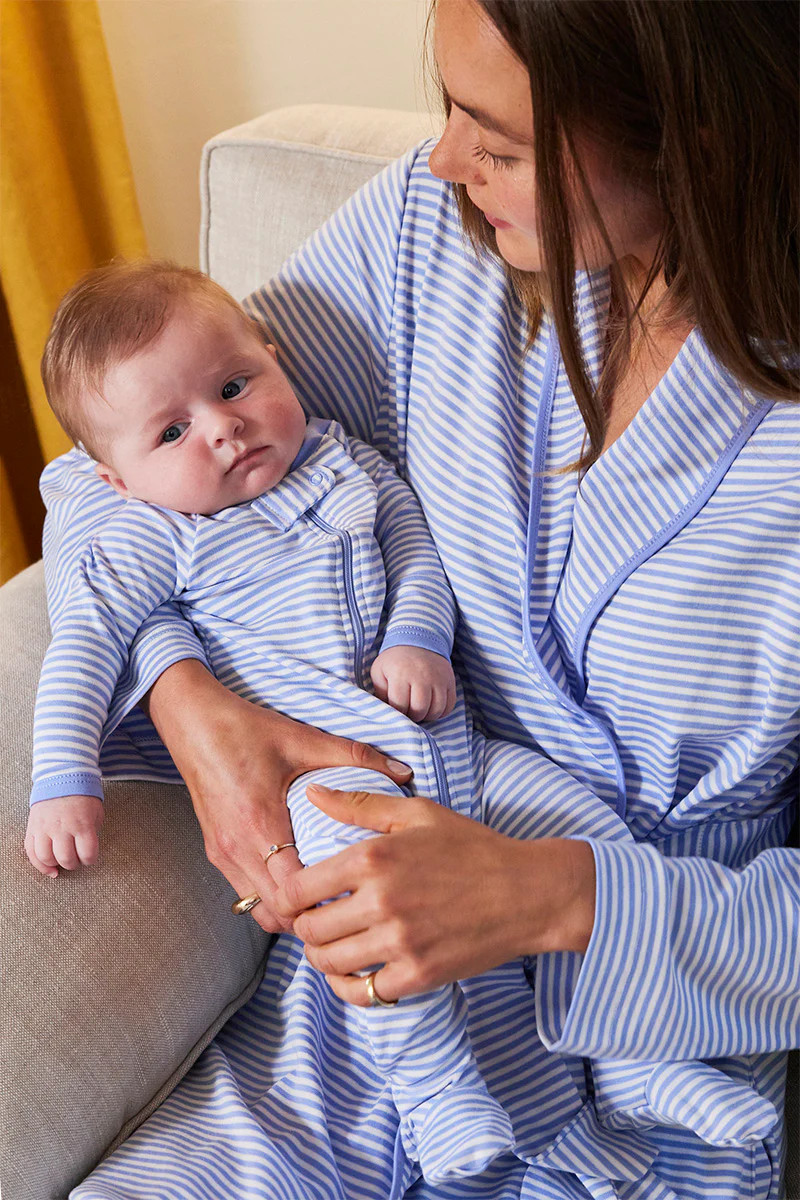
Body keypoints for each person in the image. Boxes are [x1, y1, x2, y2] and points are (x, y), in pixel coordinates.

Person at [48, 1, 798, 1197]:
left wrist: (555, 900)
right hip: (348, 992)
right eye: (445, 105)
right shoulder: (430, 234)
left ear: (698, 137)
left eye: (495, 140)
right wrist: (195, 712)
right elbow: (111, 468)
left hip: (646, 1032)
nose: (442, 158)